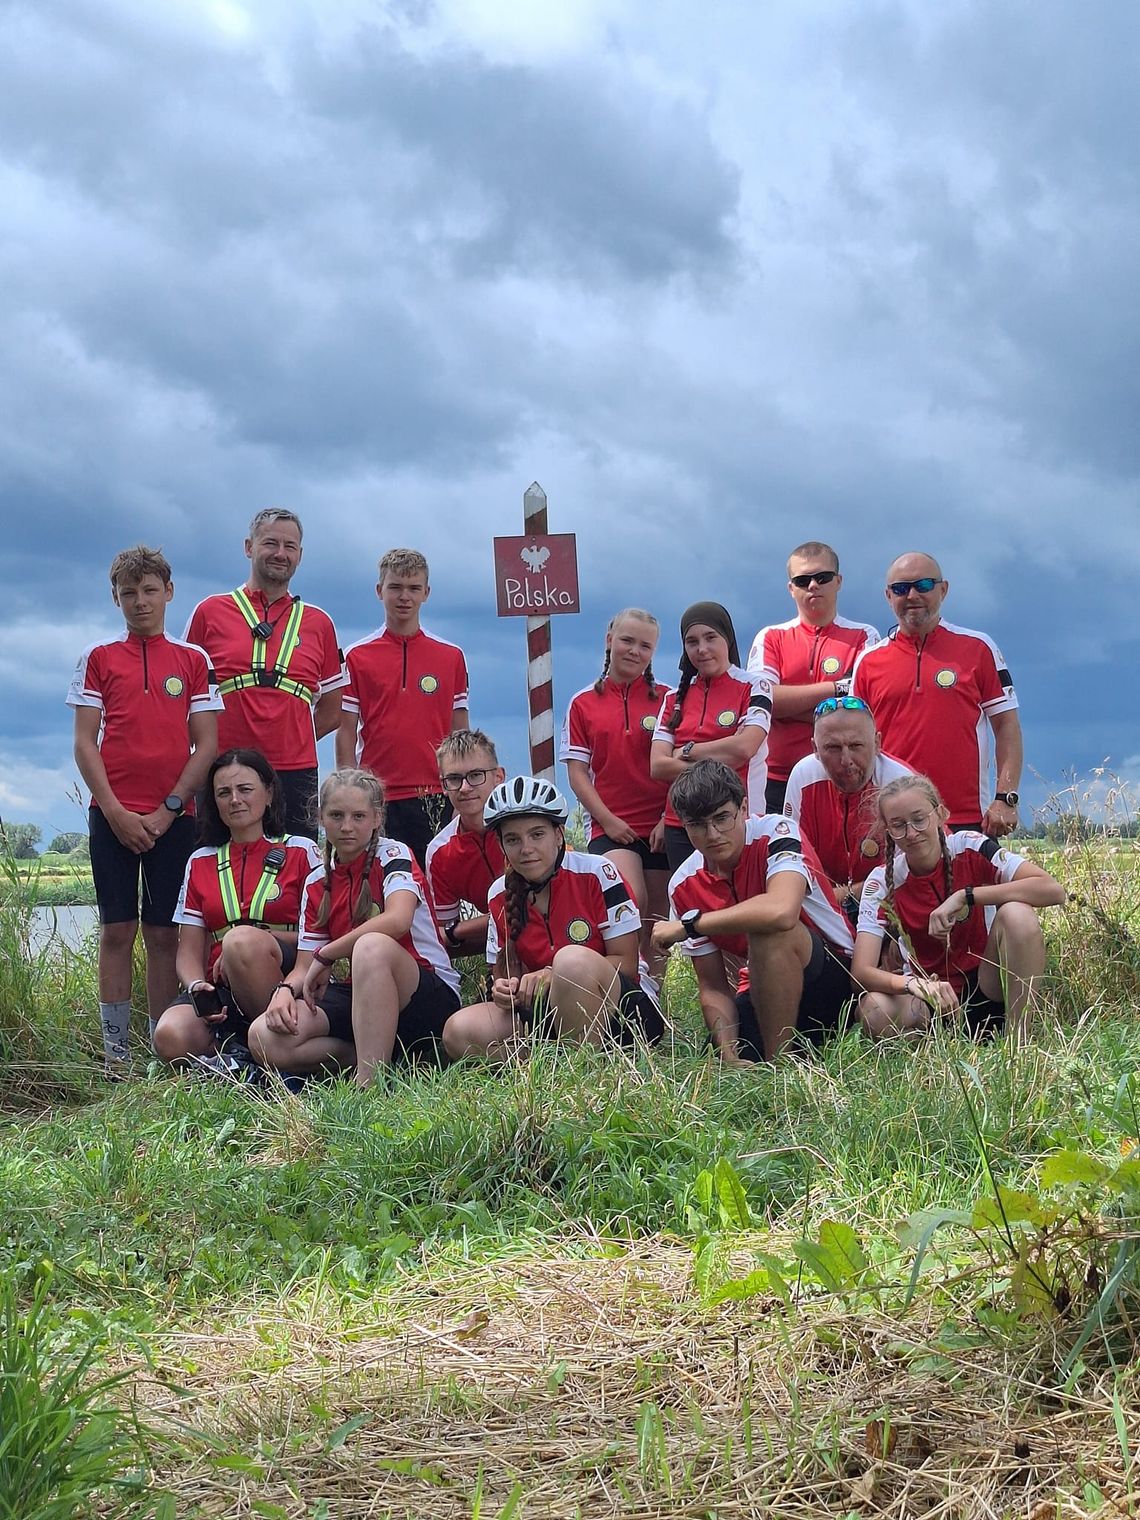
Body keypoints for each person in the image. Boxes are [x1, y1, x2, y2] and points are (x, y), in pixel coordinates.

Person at [68, 545, 221, 1073]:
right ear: (116, 598)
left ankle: (160, 1051)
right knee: (117, 930)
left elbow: (207, 745)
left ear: (168, 593)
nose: (140, 602)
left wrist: (169, 808)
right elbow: (85, 743)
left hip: (173, 820)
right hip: (112, 816)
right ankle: (115, 1057)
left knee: (162, 934)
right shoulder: (99, 658)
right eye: (128, 593)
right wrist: (113, 811)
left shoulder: (193, 660)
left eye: (149, 591)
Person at [249, 769, 461, 1086]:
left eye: (358, 816)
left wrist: (328, 954)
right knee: (263, 1036)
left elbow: (398, 919)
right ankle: (376, 1056)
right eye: (336, 815)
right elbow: (305, 965)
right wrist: (283, 992)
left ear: (377, 818)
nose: (347, 826)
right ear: (321, 818)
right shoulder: (317, 881)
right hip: (362, 995)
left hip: (426, 993)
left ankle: (369, 1086)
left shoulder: (393, 854)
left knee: (371, 946)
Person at [441, 777, 664, 1062]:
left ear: (559, 835)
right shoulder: (498, 894)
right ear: (501, 844)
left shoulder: (599, 872)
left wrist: (553, 973)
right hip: (548, 1009)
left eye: (537, 835)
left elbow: (628, 964)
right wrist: (502, 990)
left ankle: (582, 1079)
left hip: (624, 1010)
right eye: (513, 839)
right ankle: (555, 1065)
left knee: (571, 962)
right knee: (458, 1030)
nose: (526, 848)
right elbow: (501, 973)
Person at [652, 761, 853, 1063]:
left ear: (744, 807)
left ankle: (778, 1071)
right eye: (697, 825)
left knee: (768, 932)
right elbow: (713, 987)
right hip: (767, 987)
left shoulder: (777, 831)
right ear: (682, 824)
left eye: (722, 818)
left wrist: (691, 925)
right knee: (715, 1056)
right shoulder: (682, 883)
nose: (713, 834)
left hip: (835, 977)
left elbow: (782, 911)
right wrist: (728, 1053)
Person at [852, 774, 1065, 1040]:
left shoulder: (969, 846)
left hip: (986, 985)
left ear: (941, 814)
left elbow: (1052, 890)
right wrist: (912, 984)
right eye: (898, 825)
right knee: (872, 1009)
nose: (911, 833)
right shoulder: (883, 880)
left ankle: (1018, 1041)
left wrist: (967, 896)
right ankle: (932, 1050)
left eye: (919, 819)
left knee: (1017, 913)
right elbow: (860, 972)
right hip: (929, 998)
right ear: (887, 830)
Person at [153, 749, 320, 1071]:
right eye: (224, 793)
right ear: (213, 803)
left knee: (241, 941)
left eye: (245, 790)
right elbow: (188, 950)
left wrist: (253, 942)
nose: (235, 800)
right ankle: (241, 1059)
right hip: (223, 991)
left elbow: (322, 937)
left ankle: (272, 1051)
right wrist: (196, 986)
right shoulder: (200, 860)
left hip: (286, 979)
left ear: (269, 793)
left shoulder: (301, 851)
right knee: (170, 1035)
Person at [184, 509, 346, 839]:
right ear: (249, 547)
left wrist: (294, 734)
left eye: (290, 546)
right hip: (223, 768)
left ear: (300, 555)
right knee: (215, 864)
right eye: (270, 543)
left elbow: (333, 708)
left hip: (294, 771)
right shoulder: (209, 612)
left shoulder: (320, 623)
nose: (280, 554)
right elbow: (185, 696)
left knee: (296, 866)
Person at [852, 552, 1022, 835]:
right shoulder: (868, 661)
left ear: (943, 590)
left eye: (924, 585)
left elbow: (1007, 726)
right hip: (893, 820)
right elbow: (855, 740)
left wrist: (1005, 797)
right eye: (901, 588)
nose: (912, 595)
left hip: (966, 818)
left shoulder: (978, 648)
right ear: (888, 596)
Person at [337, 548, 469, 866]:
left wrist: (462, 789)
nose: (404, 597)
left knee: (434, 890)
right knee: (378, 888)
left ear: (426, 592)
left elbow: (460, 732)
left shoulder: (451, 656)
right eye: (395, 587)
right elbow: (345, 732)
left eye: (413, 588)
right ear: (380, 591)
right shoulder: (357, 656)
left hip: (435, 795)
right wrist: (347, 791)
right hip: (377, 796)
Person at [561, 608, 672, 980]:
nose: (634, 651)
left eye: (645, 646)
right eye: (627, 640)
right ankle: (627, 986)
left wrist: (666, 818)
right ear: (610, 640)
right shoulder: (582, 703)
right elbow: (577, 773)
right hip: (611, 825)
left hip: (661, 825)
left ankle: (657, 1001)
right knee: (631, 899)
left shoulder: (669, 699)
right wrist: (607, 820)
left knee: (658, 919)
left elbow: (678, 767)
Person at [747, 542, 880, 813]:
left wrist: (786, 708)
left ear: (838, 581)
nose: (813, 585)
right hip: (776, 780)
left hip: (843, 777)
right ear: (791, 588)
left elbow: (859, 712)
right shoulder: (771, 636)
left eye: (822, 577)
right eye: (803, 579)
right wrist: (835, 689)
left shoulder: (865, 636)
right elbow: (762, 702)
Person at [650, 602, 772, 873]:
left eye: (710, 637)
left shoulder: (755, 686)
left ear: (727, 638)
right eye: (692, 642)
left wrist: (686, 750)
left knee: (741, 908)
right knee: (691, 909)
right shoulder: (673, 698)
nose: (702, 649)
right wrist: (720, 760)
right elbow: (658, 766)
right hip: (681, 825)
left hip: (738, 820)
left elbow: (745, 747)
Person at [783, 696, 911, 922]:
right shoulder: (803, 776)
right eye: (832, 748)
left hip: (888, 909)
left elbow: (910, 875)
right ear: (814, 748)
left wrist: (844, 896)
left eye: (856, 746)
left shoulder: (902, 785)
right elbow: (790, 860)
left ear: (877, 743)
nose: (846, 760)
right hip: (824, 910)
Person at [424, 729, 506, 959]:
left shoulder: (524, 828)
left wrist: (458, 931)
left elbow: (532, 910)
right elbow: (441, 936)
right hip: (498, 947)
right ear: (442, 784)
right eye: (454, 779)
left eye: (476, 775)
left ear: (498, 777)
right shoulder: (440, 852)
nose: (465, 787)